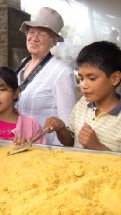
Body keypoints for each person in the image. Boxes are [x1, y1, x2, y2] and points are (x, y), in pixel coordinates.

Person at [44, 41, 121, 154]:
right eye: (81, 78)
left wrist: (97, 147)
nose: (83, 85)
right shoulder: (82, 105)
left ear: (115, 78)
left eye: (92, 78)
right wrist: (61, 128)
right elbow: (71, 142)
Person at [16, 7, 77, 146]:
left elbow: (67, 125)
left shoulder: (61, 72)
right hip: (20, 143)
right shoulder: (23, 65)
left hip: (47, 148)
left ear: (53, 41)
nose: (34, 38)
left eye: (42, 34)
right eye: (31, 32)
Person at [0, 66, 46, 144]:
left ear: (16, 93)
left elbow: (41, 154)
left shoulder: (32, 126)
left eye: (2, 89)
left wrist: (26, 149)